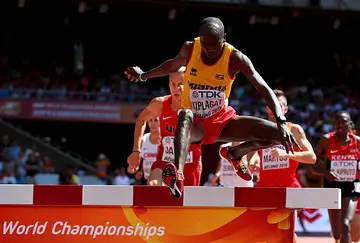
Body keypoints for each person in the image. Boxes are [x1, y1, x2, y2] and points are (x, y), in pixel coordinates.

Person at [125, 17, 300, 197]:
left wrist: (281, 121)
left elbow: (263, 88)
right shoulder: (190, 48)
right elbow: (171, 65)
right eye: (206, 44)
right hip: (195, 126)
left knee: (280, 134)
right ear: (199, 38)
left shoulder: (235, 58)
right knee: (185, 114)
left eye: (214, 45)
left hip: (222, 122)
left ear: (224, 38)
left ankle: (235, 153)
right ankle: (177, 173)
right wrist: (143, 76)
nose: (209, 50)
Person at [127, 67, 202, 195]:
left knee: (185, 207)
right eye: (173, 84)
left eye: (181, 85)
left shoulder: (198, 106)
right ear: (168, 84)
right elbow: (141, 120)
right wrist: (136, 150)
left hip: (189, 166)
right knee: (153, 187)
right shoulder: (160, 104)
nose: (176, 89)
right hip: (164, 163)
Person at [226, 89, 316, 188]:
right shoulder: (260, 130)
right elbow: (253, 153)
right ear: (267, 108)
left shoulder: (294, 129)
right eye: (271, 106)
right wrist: (253, 162)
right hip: (263, 188)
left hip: (288, 188)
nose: (274, 109)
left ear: (285, 110)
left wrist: (286, 154)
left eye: (278, 106)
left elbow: (312, 157)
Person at [313, 111, 360, 243]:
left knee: (345, 223)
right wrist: (325, 173)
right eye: (337, 122)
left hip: (352, 187)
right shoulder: (326, 140)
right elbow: (312, 164)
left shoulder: (358, 142)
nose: (340, 125)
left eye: (344, 122)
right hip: (332, 186)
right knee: (337, 233)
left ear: (350, 124)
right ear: (333, 124)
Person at [134, 117, 160, 184]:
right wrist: (141, 171)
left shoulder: (166, 139)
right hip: (146, 180)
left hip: (161, 181)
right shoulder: (144, 138)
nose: (153, 123)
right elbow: (144, 159)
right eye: (150, 120)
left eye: (156, 120)